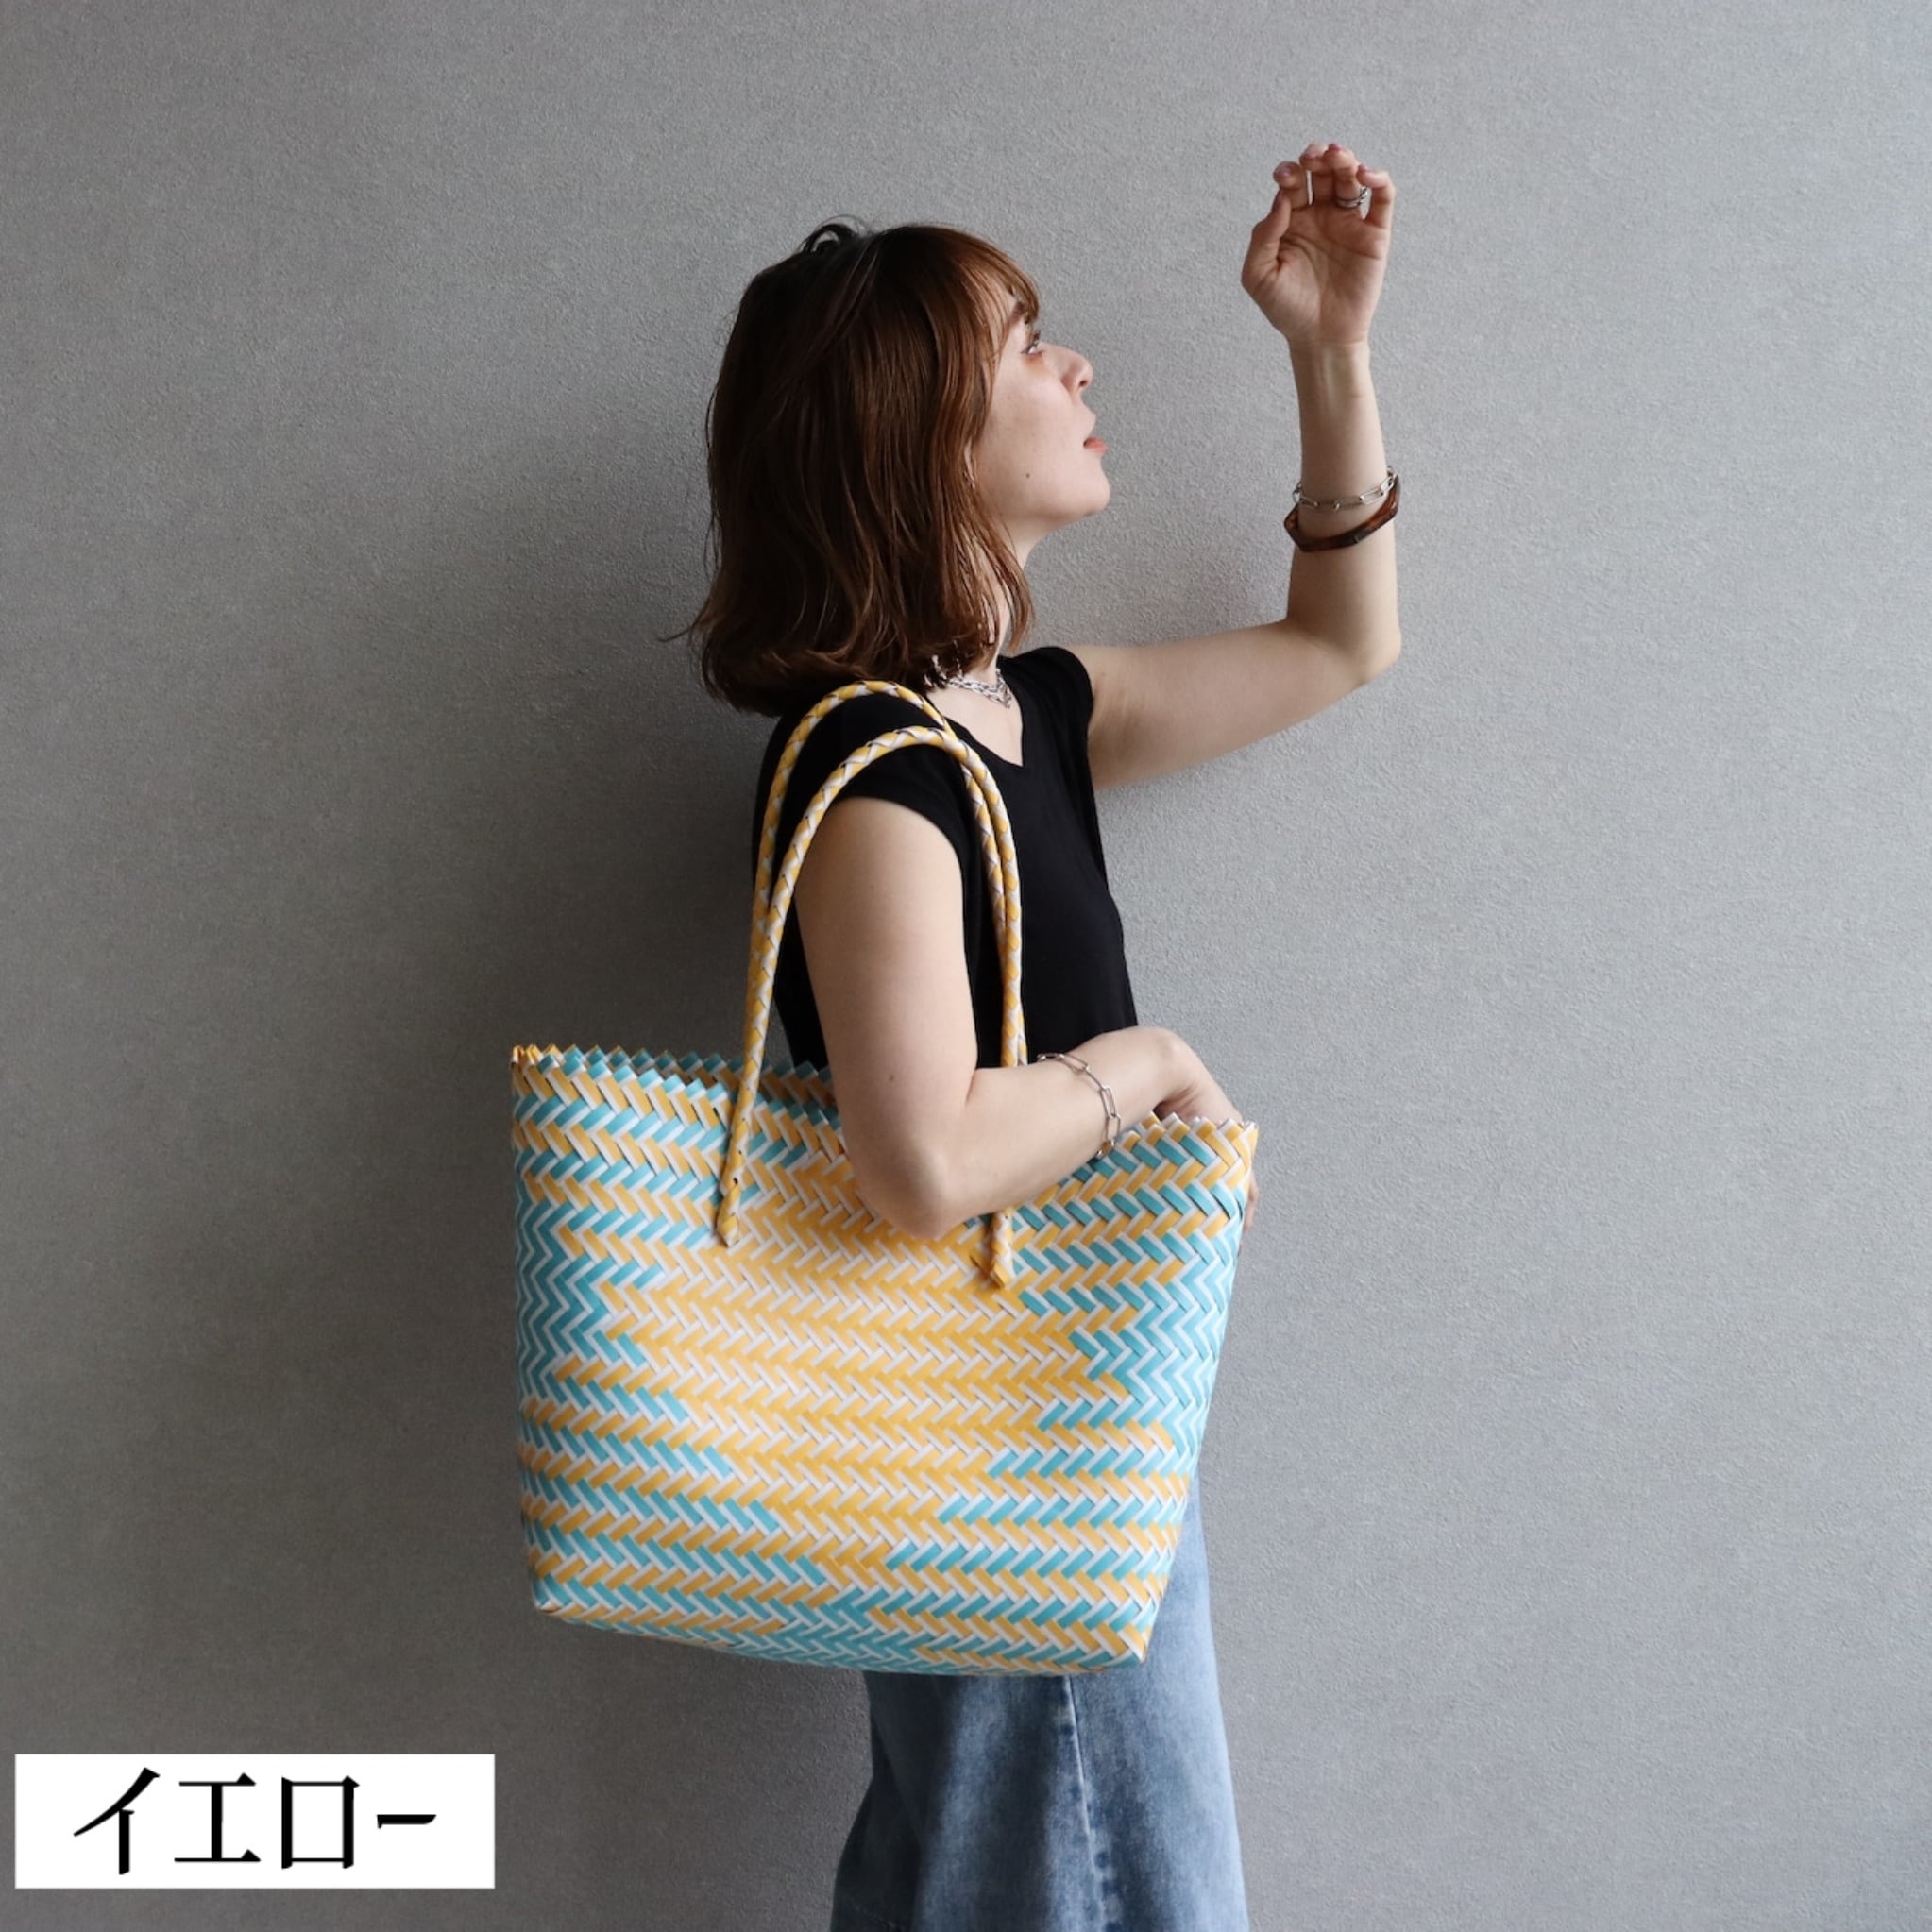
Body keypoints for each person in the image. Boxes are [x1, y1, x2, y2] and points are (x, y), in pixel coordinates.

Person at [676, 138, 1400, 1932]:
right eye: (1024, 344)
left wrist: (1327, 352)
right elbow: (919, 1162)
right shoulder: (872, 766)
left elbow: (1340, 643)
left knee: (1017, 1876)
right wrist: (1142, 1063)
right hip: (999, 1436)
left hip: (1070, 1413)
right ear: (915, 433)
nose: (1075, 366)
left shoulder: (1027, 718)